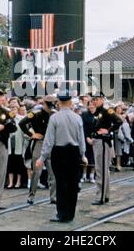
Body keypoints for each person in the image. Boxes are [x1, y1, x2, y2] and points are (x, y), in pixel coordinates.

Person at [35, 90, 88, 222]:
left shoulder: (54, 118)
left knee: (61, 183)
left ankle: (61, 213)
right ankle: (71, 213)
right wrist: (83, 155)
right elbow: (81, 139)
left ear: (58, 102)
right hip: (74, 152)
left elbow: (49, 140)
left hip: (59, 152)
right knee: (72, 184)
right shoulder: (77, 118)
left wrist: (42, 157)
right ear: (70, 102)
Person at [19, 95, 57, 205]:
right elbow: (22, 123)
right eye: (48, 106)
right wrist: (31, 134)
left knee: (53, 172)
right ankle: (31, 196)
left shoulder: (55, 114)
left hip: (51, 144)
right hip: (39, 143)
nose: (50, 108)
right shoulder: (35, 113)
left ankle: (53, 197)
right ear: (44, 104)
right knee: (36, 171)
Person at [91, 91, 123, 205]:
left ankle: (101, 196)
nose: (94, 101)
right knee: (102, 170)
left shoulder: (106, 111)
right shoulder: (98, 112)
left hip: (103, 141)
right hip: (97, 141)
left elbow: (119, 121)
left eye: (96, 99)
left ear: (102, 99)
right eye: (93, 99)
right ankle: (105, 195)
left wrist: (108, 130)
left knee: (101, 170)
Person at [6, 105, 26, 189]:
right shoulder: (7, 119)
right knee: (10, 164)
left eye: (14, 109)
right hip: (9, 143)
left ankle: (18, 182)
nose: (13, 110)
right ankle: (10, 182)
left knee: (19, 164)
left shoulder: (21, 119)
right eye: (11, 109)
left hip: (19, 143)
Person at [81, 101, 96, 183]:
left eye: (93, 105)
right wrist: (87, 137)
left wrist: (94, 137)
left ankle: (91, 176)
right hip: (85, 138)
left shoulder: (98, 114)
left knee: (93, 158)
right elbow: (83, 127)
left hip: (95, 139)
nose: (91, 106)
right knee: (85, 156)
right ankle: (83, 176)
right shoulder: (84, 114)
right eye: (90, 105)